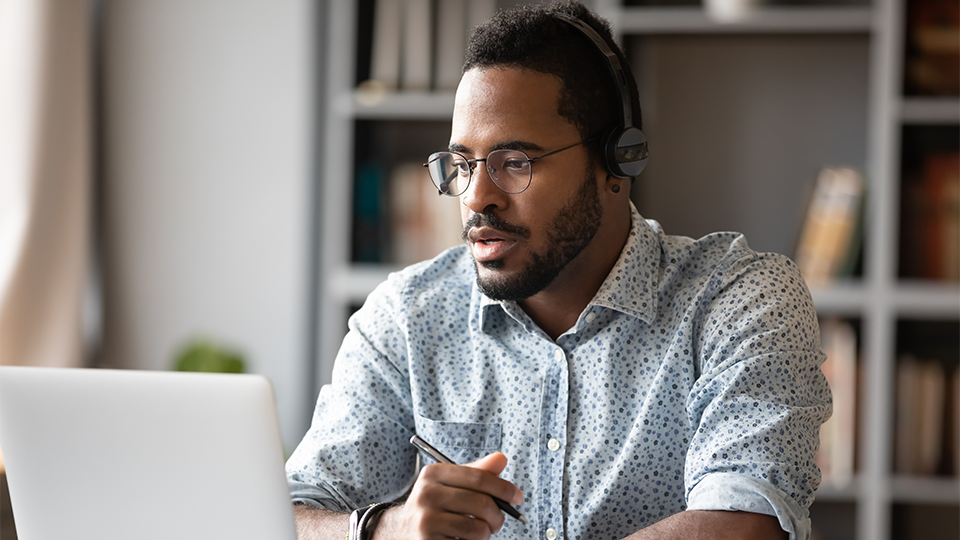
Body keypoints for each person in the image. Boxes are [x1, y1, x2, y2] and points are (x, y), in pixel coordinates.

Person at [286, 2, 831, 539]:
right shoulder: (408, 317)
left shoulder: (739, 300)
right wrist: (383, 530)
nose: (477, 198)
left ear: (618, 161)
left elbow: (742, 523)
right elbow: (286, 514)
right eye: (462, 165)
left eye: (515, 162)